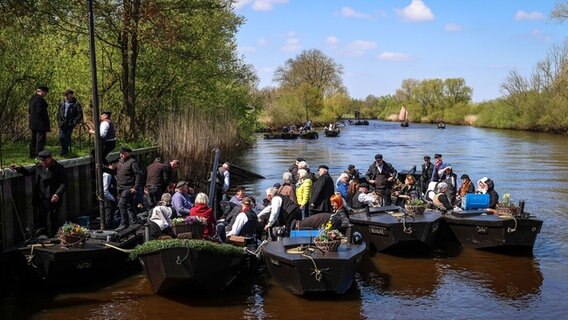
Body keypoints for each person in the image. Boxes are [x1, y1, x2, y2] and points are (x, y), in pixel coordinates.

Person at [11, 150, 67, 236]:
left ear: (50, 158)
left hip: (53, 196)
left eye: (45, 161)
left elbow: (64, 183)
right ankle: (43, 235)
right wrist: (19, 168)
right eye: (42, 161)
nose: (43, 163)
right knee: (41, 217)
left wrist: (57, 194)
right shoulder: (39, 166)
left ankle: (55, 235)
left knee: (54, 217)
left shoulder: (59, 168)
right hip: (42, 197)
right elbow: (28, 172)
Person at [115, 146, 143, 231]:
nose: (121, 155)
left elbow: (138, 174)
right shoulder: (120, 162)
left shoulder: (132, 162)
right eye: (120, 153)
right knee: (129, 205)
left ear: (128, 153)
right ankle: (133, 221)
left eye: (123, 153)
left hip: (128, 187)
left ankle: (124, 224)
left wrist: (135, 187)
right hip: (120, 187)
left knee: (121, 204)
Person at [56, 89, 83, 156]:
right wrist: (59, 121)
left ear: (71, 95)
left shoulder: (76, 103)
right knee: (61, 137)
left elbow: (79, 114)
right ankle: (64, 150)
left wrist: (74, 122)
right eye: (65, 95)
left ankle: (65, 152)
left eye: (67, 95)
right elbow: (59, 113)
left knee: (67, 137)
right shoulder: (62, 103)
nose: (66, 97)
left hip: (70, 124)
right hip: (62, 123)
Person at [28, 86, 50, 158]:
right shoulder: (40, 100)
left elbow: (29, 111)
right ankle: (39, 155)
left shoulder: (32, 98)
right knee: (40, 140)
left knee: (33, 139)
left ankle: (32, 154)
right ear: (42, 91)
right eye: (45, 93)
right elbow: (40, 111)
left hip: (33, 123)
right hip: (40, 123)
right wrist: (45, 119)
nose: (45, 94)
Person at [103, 155, 120, 229]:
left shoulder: (112, 173)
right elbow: (105, 190)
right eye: (117, 163)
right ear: (112, 164)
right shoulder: (107, 174)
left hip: (112, 197)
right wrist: (113, 198)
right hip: (109, 199)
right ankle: (108, 230)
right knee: (109, 215)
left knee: (112, 214)